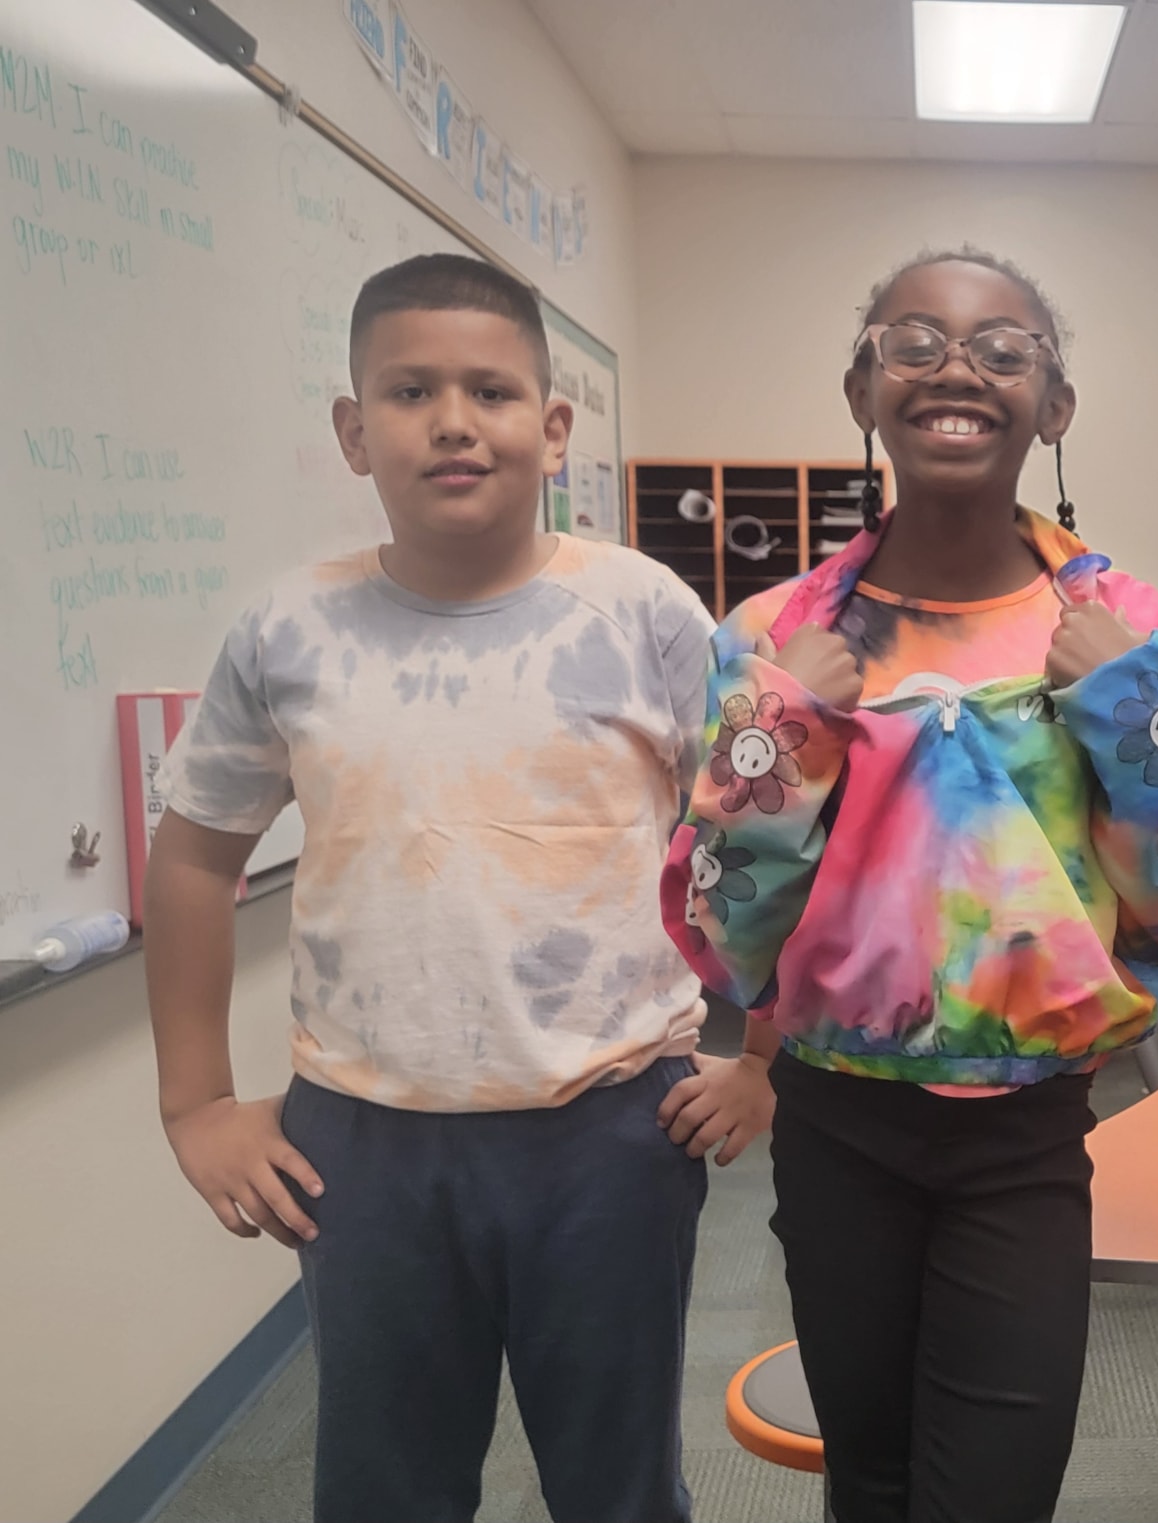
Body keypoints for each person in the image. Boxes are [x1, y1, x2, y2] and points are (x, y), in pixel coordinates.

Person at [144, 253, 731, 1523]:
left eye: (491, 391)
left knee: (618, 1486)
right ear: (355, 432)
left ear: (552, 426)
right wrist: (193, 1100)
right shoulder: (287, 630)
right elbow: (194, 853)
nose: (454, 421)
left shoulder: (645, 612)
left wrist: (770, 1058)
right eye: (410, 391)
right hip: (364, 1138)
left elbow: (771, 844)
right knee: (383, 1488)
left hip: (612, 1125)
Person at [658, 247, 1158, 1523]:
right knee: (866, 1477)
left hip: (1026, 1133)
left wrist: (1123, 704)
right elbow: (721, 937)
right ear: (862, 387)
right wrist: (791, 723)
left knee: (995, 1492)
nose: (955, 368)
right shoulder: (776, 635)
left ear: (1054, 404)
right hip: (833, 1119)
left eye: (1001, 347)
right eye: (911, 342)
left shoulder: (1123, 623)